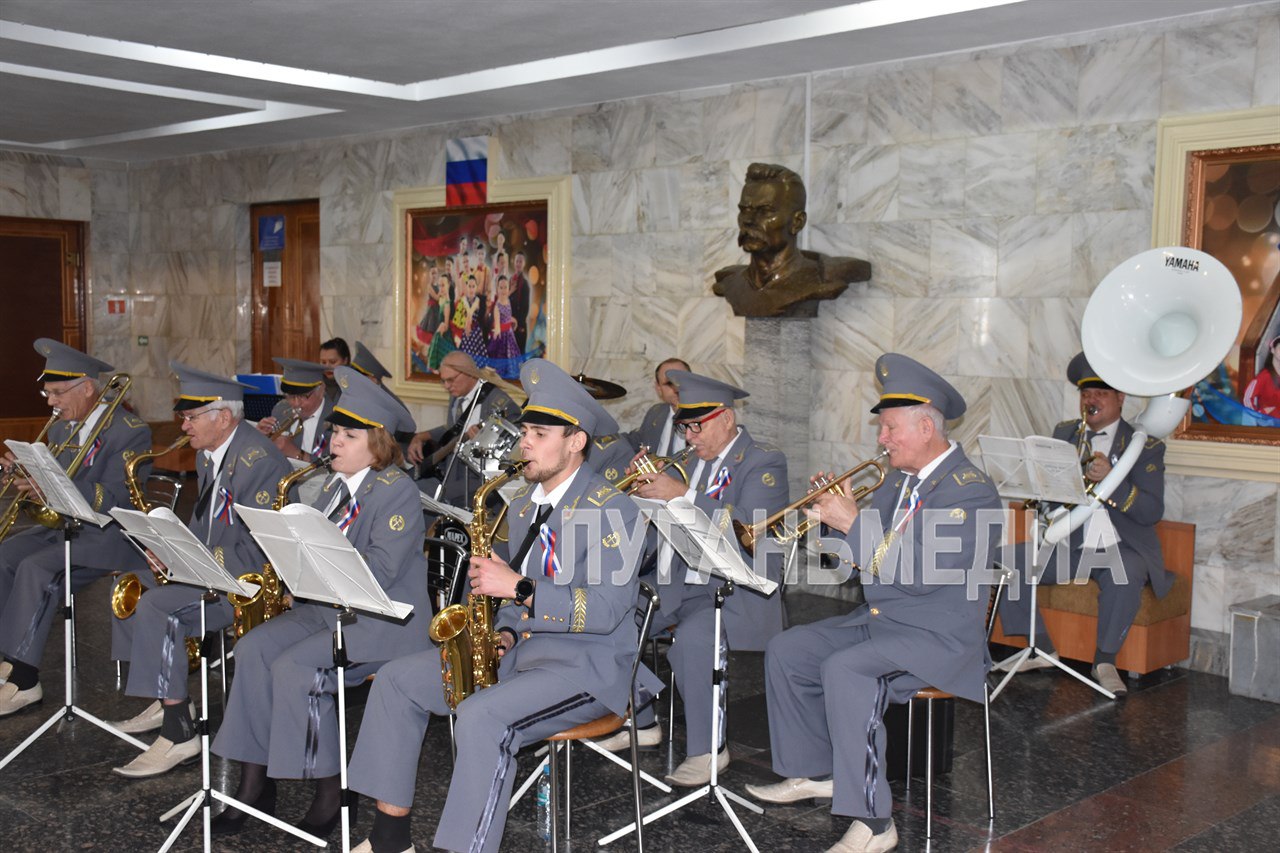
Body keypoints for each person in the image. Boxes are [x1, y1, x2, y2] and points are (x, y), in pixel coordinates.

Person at [345, 358, 657, 853]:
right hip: (522, 653)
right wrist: (505, 631)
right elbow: (509, 597)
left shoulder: (612, 509)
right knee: (396, 680)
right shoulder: (526, 504)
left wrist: (521, 588)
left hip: (586, 669)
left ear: (575, 442)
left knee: (481, 717)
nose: (523, 443)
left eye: (538, 434)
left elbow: (604, 610)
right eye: (525, 431)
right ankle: (389, 839)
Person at [743, 353, 1002, 853]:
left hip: (939, 635)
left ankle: (875, 824)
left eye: (889, 428)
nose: (881, 439)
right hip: (885, 620)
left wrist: (852, 521)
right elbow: (856, 565)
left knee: (847, 669)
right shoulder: (900, 482)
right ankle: (817, 773)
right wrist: (828, 524)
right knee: (789, 649)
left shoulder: (969, 493)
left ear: (925, 427)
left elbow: (921, 573)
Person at [209, 366, 430, 839]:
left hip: (382, 621)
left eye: (349, 436)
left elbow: (379, 573)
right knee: (250, 649)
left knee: (293, 666)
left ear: (378, 444)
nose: (335, 442)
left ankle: (332, 786)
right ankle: (253, 780)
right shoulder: (331, 486)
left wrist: (309, 564)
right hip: (327, 609)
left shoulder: (397, 492)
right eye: (335, 432)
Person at [109, 362, 292, 778]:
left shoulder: (259, 461)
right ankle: (166, 695)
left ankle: (178, 733)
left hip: (245, 585)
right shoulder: (210, 454)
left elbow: (262, 550)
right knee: (130, 584)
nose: (183, 425)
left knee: (157, 607)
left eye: (191, 416)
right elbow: (204, 522)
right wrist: (168, 550)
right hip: (209, 568)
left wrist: (192, 559)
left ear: (223, 417)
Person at [607, 370, 788, 785]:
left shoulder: (763, 462)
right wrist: (641, 498)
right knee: (611, 615)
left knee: (691, 642)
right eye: (683, 428)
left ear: (726, 418)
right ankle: (642, 717)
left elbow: (747, 529)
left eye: (696, 427)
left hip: (736, 590)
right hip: (680, 581)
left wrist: (681, 494)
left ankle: (708, 749)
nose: (689, 438)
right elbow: (663, 530)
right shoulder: (688, 462)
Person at [995, 352, 1169, 697]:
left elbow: (1151, 511)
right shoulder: (1065, 434)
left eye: (1101, 393)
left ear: (1121, 398)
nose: (1091, 400)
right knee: (1004, 561)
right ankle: (1041, 649)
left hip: (1120, 546)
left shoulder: (1144, 446)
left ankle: (1105, 662)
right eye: (1086, 394)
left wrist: (1113, 480)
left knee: (1126, 573)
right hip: (1070, 544)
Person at [0, 340, 152, 716]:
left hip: (110, 534)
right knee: (5, 555)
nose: (51, 402)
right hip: (66, 526)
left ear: (86, 388)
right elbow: (54, 487)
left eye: (57, 393)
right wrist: (25, 473)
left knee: (37, 568)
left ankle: (24, 680)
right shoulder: (60, 429)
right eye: (48, 393)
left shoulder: (129, 431)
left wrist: (51, 483)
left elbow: (117, 498)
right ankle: (7, 656)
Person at [712, 162, 869, 318]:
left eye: (765, 211)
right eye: (745, 210)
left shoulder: (819, 278)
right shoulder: (731, 281)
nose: (748, 220)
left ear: (797, 222)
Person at [407, 351, 518, 505]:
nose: (447, 386)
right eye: (443, 381)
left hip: (478, 478)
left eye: (450, 380)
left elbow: (515, 445)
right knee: (408, 485)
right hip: (453, 470)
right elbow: (453, 429)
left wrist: (482, 438)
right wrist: (420, 436)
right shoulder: (457, 395)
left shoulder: (499, 402)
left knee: (421, 496)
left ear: (469, 373)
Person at [256, 358, 333, 463]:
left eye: (303, 396)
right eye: (290, 396)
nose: (296, 403)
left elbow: (330, 465)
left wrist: (295, 453)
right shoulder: (280, 410)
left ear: (321, 390)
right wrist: (261, 439)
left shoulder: (334, 421)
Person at [623, 357, 690, 458]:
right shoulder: (656, 412)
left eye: (682, 380)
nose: (677, 388)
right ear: (658, 388)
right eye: (669, 383)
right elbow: (636, 440)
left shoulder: (705, 418)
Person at [1243, 335, 1280, 416]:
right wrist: (1260, 414)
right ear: (1273, 350)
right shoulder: (1265, 376)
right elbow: (1247, 398)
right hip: (1269, 422)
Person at [319, 338, 351, 403]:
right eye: (323, 362)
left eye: (332, 362)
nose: (327, 366)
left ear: (345, 360)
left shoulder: (355, 383)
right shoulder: (315, 385)